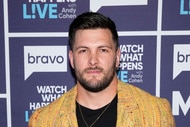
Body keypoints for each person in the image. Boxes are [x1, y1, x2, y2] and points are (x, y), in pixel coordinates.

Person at [28, 12, 175, 127]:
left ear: (117, 57)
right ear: (72, 59)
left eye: (103, 50)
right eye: (84, 51)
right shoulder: (42, 120)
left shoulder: (156, 113)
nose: (93, 60)